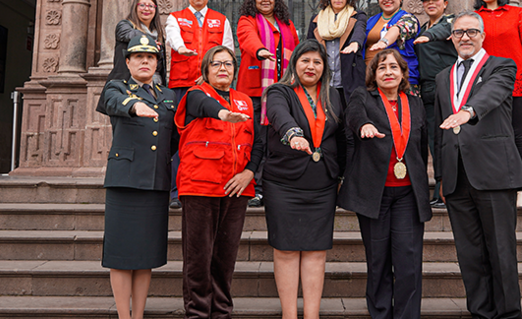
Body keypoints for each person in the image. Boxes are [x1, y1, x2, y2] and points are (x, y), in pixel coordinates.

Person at [434, 11, 522, 319]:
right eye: (459, 32)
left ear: (482, 35)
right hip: (457, 178)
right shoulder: (442, 76)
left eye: (471, 32)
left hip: (494, 174)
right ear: (451, 38)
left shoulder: (501, 66)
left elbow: (492, 94)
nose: (465, 37)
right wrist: (441, 177)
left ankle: (508, 314)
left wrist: (469, 111)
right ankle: (481, 313)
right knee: (469, 254)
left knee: (501, 251)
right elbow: (439, 130)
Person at [338, 49, 432, 319]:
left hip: (407, 195)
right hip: (373, 195)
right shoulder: (363, 97)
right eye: (382, 68)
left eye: (394, 67)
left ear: (403, 73)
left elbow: (422, 145)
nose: (388, 72)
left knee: (408, 262)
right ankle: (380, 313)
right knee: (378, 260)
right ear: (374, 75)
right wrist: (364, 125)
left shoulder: (414, 102)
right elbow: (353, 116)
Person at [174, 45, 263, 319]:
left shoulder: (245, 101)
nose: (223, 68)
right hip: (200, 187)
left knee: (225, 259)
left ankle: (222, 312)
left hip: (236, 191)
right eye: (216, 64)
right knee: (198, 258)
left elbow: (258, 143)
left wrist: (250, 172)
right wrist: (223, 114)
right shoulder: (195, 95)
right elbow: (205, 106)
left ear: (235, 70)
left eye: (228, 64)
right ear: (205, 71)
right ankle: (198, 313)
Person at [263, 39, 346, 319]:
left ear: (324, 67)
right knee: (286, 251)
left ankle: (312, 315)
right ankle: (289, 315)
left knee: (316, 251)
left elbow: (343, 137)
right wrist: (293, 134)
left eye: (317, 62)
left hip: (322, 184)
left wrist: (343, 173)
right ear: (294, 64)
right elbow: (278, 115)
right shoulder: (279, 91)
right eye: (305, 60)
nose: (311, 66)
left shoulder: (334, 96)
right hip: (284, 183)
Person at [100, 34, 177, 319]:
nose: (145, 61)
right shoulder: (116, 88)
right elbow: (113, 102)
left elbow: (175, 139)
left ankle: (139, 314)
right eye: (139, 57)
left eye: (151, 57)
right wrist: (134, 106)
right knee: (121, 257)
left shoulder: (168, 96)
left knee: (146, 257)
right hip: (125, 182)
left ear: (157, 63)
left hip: (156, 182)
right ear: (128, 62)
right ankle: (124, 316)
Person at [166, 0, 235, 208]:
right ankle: (177, 191)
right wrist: (182, 48)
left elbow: (228, 51)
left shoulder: (221, 19)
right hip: (181, 85)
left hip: (211, 87)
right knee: (179, 137)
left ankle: (212, 185)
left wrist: (211, 76)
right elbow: (173, 39)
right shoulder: (175, 18)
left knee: (213, 135)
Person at [474, 0, 522, 210]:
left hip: (517, 85)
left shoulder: (516, 13)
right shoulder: (475, 17)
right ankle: (497, 184)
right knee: (489, 137)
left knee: (517, 135)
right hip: (486, 88)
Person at [236, 0, 299, 207]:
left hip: (281, 91)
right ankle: (254, 187)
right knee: (256, 139)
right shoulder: (247, 20)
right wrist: (261, 50)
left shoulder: (287, 24)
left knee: (276, 139)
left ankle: (271, 186)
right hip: (254, 91)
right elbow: (247, 39)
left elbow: (297, 52)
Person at [413, 0, 458, 209]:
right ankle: (440, 187)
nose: (431, 3)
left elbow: (442, 32)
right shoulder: (422, 27)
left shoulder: (451, 22)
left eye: (436, 0)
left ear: (445, 3)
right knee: (433, 141)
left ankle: (448, 189)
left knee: (448, 140)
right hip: (427, 91)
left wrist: (427, 37)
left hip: (447, 90)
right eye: (427, 0)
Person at [96, 0, 166, 114]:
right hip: (127, 86)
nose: (147, 9)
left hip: (154, 86)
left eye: (151, 6)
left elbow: (160, 65)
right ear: (135, 7)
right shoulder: (125, 25)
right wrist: (149, 42)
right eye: (142, 5)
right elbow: (128, 34)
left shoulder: (159, 34)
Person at [307, 0, 367, 104]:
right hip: (324, 82)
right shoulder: (316, 19)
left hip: (350, 80)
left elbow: (360, 30)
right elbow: (308, 47)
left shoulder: (357, 15)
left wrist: (355, 43)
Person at [365, 0, 420, 91]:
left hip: (401, 81)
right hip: (373, 80)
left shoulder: (409, 19)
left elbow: (397, 29)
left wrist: (384, 42)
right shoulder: (371, 20)